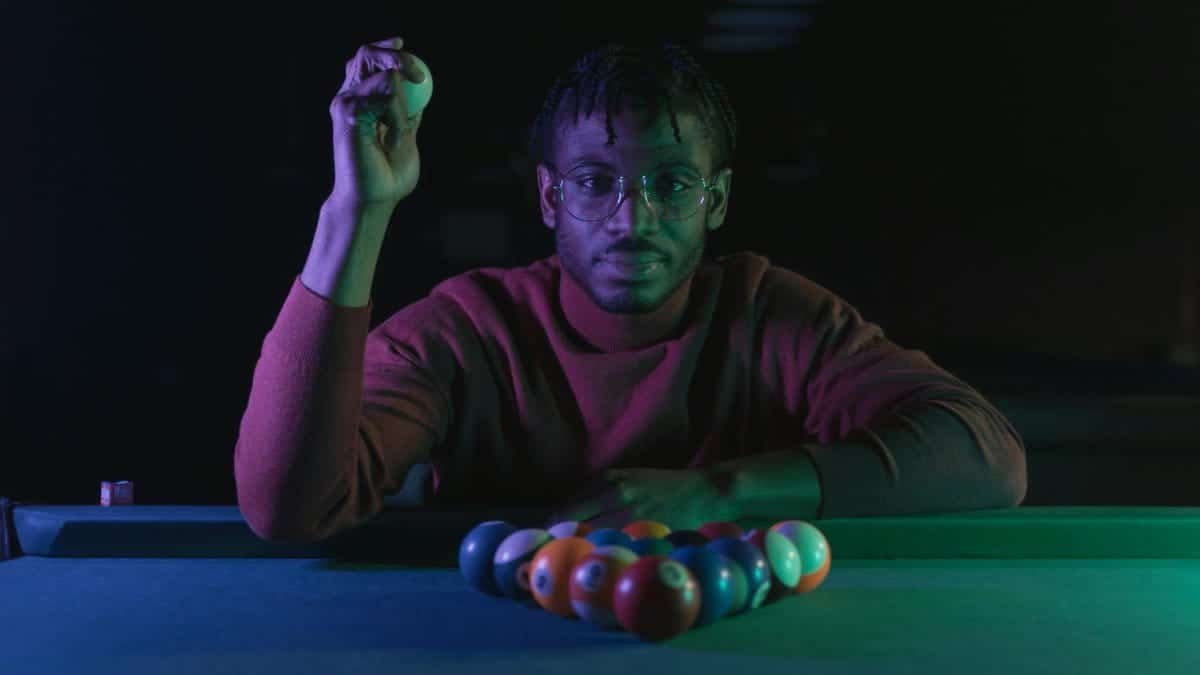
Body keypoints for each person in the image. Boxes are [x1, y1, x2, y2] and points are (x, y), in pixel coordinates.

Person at [233, 37, 1027, 543]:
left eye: (671, 183)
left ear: (715, 200)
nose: (632, 217)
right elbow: (289, 508)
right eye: (594, 182)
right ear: (549, 199)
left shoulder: (770, 311)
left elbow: (986, 457)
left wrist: (717, 491)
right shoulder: (469, 328)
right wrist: (358, 209)